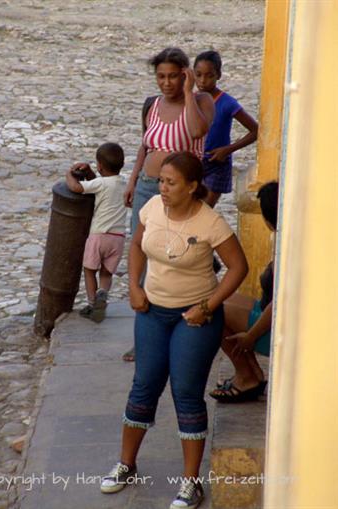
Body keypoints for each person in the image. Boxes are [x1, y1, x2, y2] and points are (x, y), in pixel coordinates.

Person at [100, 152, 248, 509]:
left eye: (171, 183)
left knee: (185, 391)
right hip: (151, 312)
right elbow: (136, 244)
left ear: (192, 187)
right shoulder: (151, 206)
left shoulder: (210, 223)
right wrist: (134, 287)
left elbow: (237, 267)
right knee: (144, 385)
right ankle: (126, 464)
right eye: (162, 181)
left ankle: (191, 483)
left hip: (194, 319)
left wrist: (208, 307)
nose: (163, 188)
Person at [122, 46, 215, 361]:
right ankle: (145, 331)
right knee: (143, 250)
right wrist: (133, 181)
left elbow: (197, 131)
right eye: (161, 76)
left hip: (181, 194)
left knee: (173, 254)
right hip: (149, 189)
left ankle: (180, 321)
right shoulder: (152, 105)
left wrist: (189, 92)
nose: (166, 83)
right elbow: (145, 146)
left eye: (173, 76)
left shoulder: (201, 101)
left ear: (185, 74)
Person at [209, 181, 278, 403]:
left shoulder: (289, 252)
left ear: (268, 220)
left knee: (212, 313)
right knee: (214, 298)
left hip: (273, 324)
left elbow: (277, 305)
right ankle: (252, 374)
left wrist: (251, 336)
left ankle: (246, 376)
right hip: (266, 310)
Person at [65, 142, 126, 323]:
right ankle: (102, 294)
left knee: (90, 270)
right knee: (106, 273)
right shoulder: (123, 183)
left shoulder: (100, 183)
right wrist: (91, 171)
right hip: (118, 238)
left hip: (99, 236)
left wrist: (69, 175)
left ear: (99, 166)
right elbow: (98, 181)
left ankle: (92, 304)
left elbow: (77, 188)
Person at [194, 50, 258, 207]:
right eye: (198, 75)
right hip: (193, 161)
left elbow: (255, 130)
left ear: (218, 75)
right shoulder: (191, 100)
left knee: (204, 212)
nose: (203, 80)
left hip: (217, 163)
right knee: (189, 208)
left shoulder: (227, 103)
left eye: (209, 76)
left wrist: (227, 150)